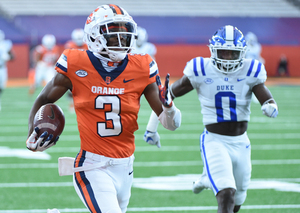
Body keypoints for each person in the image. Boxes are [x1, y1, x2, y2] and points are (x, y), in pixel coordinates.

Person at [26, 4, 181, 213]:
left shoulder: (142, 66)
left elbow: (172, 125)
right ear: (94, 36)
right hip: (91, 166)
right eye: (113, 36)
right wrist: (32, 133)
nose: (121, 42)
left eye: (124, 36)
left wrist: (169, 106)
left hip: (126, 167)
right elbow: (44, 98)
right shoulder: (76, 63)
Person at [143, 25, 278, 213]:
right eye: (223, 53)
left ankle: (208, 178)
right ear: (214, 51)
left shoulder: (250, 69)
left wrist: (270, 105)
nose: (228, 58)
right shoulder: (201, 69)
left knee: (238, 200)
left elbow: (266, 97)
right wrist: (151, 128)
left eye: (233, 53)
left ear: (242, 53)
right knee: (227, 194)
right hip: (215, 141)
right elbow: (166, 97)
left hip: (241, 143)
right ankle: (211, 177)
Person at [64, 28, 88, 112]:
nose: (79, 41)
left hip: (86, 69)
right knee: (72, 88)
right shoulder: (70, 45)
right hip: (74, 69)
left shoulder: (87, 45)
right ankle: (72, 103)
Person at [0, 29, 14, 111]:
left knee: (2, 86)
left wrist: (8, 57)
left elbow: (13, 56)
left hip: (2, 68)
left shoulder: (5, 45)